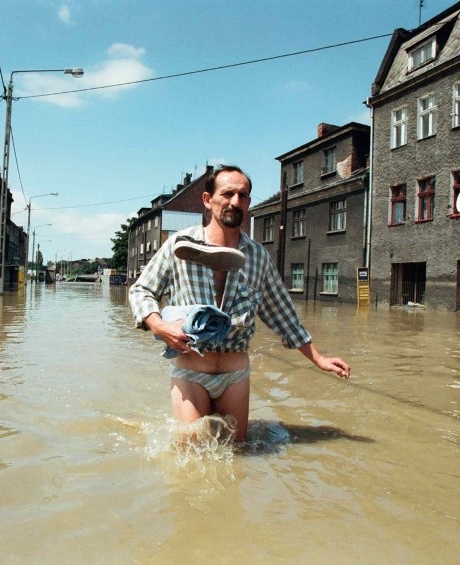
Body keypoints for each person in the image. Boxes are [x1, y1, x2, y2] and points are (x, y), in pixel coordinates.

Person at [128, 164, 350, 442]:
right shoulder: (179, 244)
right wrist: (159, 326)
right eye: (228, 194)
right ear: (208, 200)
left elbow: (283, 314)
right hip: (191, 370)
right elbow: (140, 290)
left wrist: (318, 357)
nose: (235, 202)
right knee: (193, 456)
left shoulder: (257, 256)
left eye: (243, 196)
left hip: (235, 375)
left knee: (236, 454)